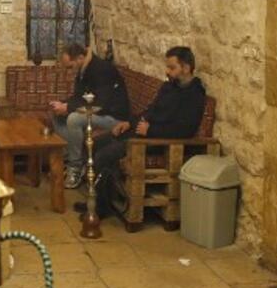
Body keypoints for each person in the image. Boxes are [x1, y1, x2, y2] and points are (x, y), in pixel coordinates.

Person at [74, 46, 206, 218]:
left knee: (104, 156)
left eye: (172, 68)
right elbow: (149, 111)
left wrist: (151, 130)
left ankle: (99, 208)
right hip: (139, 133)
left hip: (157, 143)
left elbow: (184, 130)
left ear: (187, 68)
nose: (167, 71)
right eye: (167, 67)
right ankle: (96, 200)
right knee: (92, 145)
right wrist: (128, 123)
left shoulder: (194, 94)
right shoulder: (169, 87)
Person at [49, 43, 130, 189]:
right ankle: (71, 158)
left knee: (74, 119)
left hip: (113, 118)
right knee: (57, 115)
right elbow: (79, 97)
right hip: (97, 112)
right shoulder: (83, 70)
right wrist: (63, 105)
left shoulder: (102, 70)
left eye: (70, 66)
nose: (69, 71)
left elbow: (100, 104)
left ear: (80, 58)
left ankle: (76, 166)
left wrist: (69, 108)